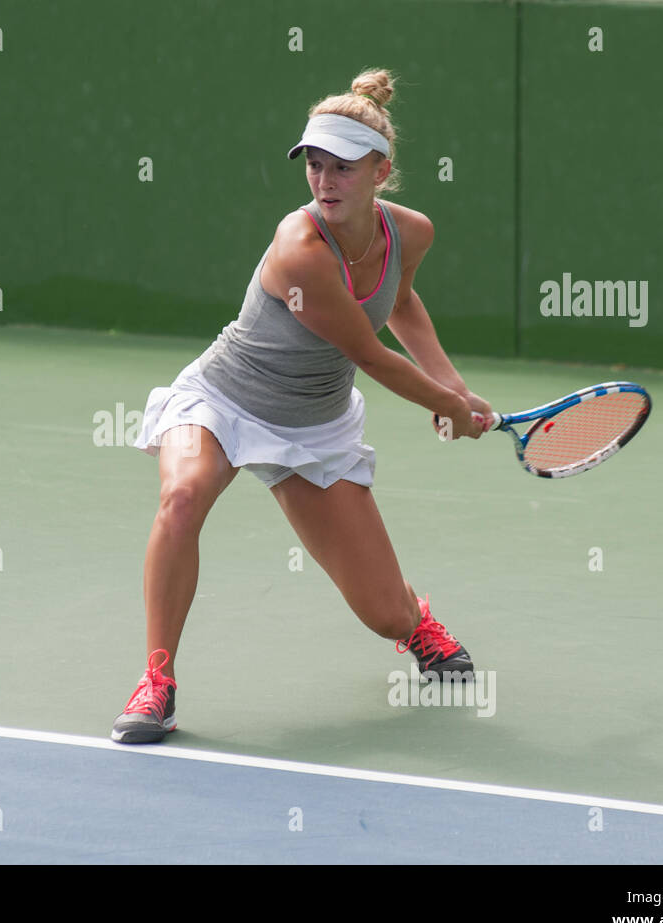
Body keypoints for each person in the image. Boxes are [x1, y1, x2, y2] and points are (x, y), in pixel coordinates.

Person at [112, 68, 493, 745]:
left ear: (380, 170)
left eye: (342, 167)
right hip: (223, 401)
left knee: (381, 611)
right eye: (314, 164)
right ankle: (157, 682)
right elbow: (373, 357)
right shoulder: (301, 250)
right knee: (181, 498)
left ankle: (415, 622)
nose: (324, 180)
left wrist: (452, 388)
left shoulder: (412, 232)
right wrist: (446, 406)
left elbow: (399, 303)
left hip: (315, 428)